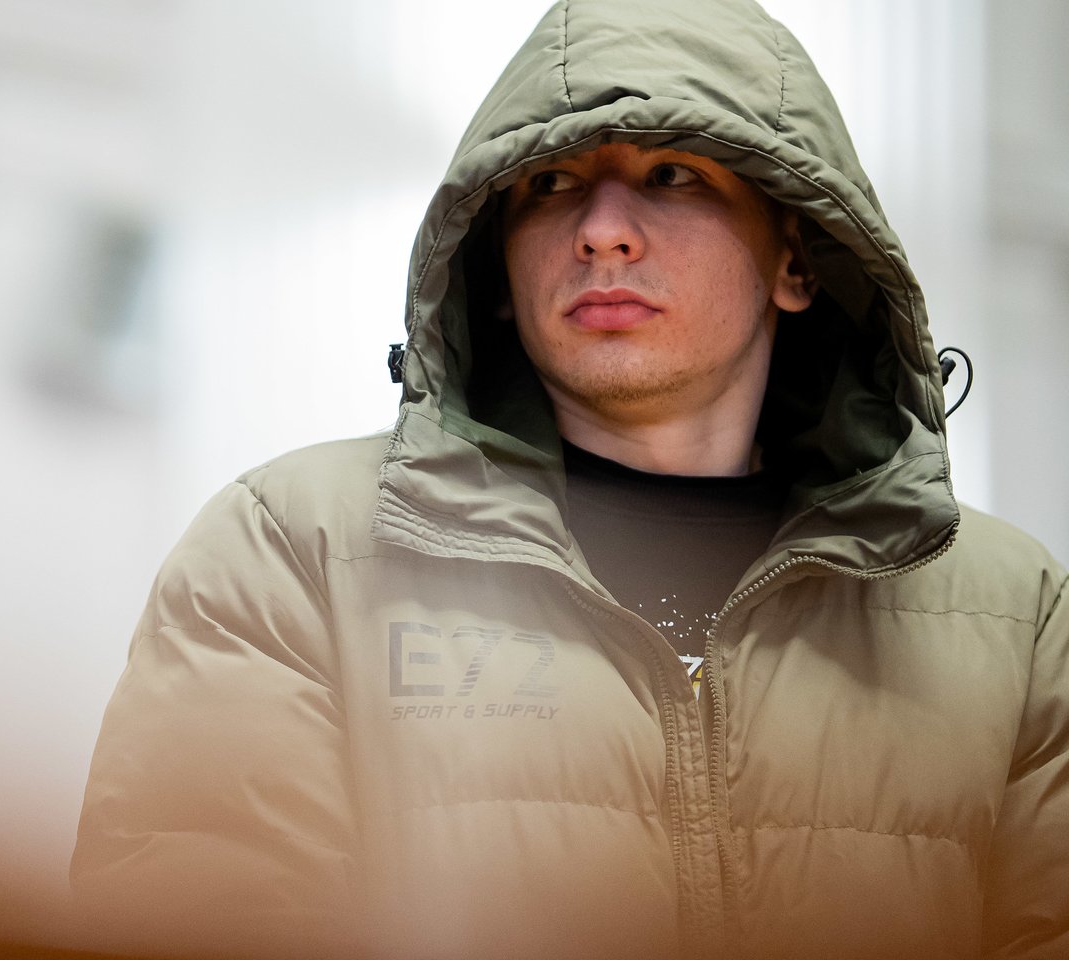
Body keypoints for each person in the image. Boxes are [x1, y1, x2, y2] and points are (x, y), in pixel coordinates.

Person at [72, 1, 1069, 958]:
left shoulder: (1016, 617)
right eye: (550, 184)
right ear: (497, 267)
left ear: (796, 260)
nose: (601, 230)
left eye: (673, 173)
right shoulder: (291, 552)